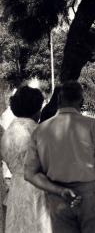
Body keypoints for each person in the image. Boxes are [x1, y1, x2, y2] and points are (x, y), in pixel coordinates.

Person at [24, 81, 95, 233]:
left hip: (58, 197)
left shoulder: (40, 130)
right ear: (81, 100)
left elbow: (29, 174)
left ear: (59, 100)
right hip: (91, 195)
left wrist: (58, 190)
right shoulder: (94, 126)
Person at [0, 86, 50, 233]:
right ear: (36, 108)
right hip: (38, 190)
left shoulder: (6, 133)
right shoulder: (39, 131)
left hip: (15, 189)